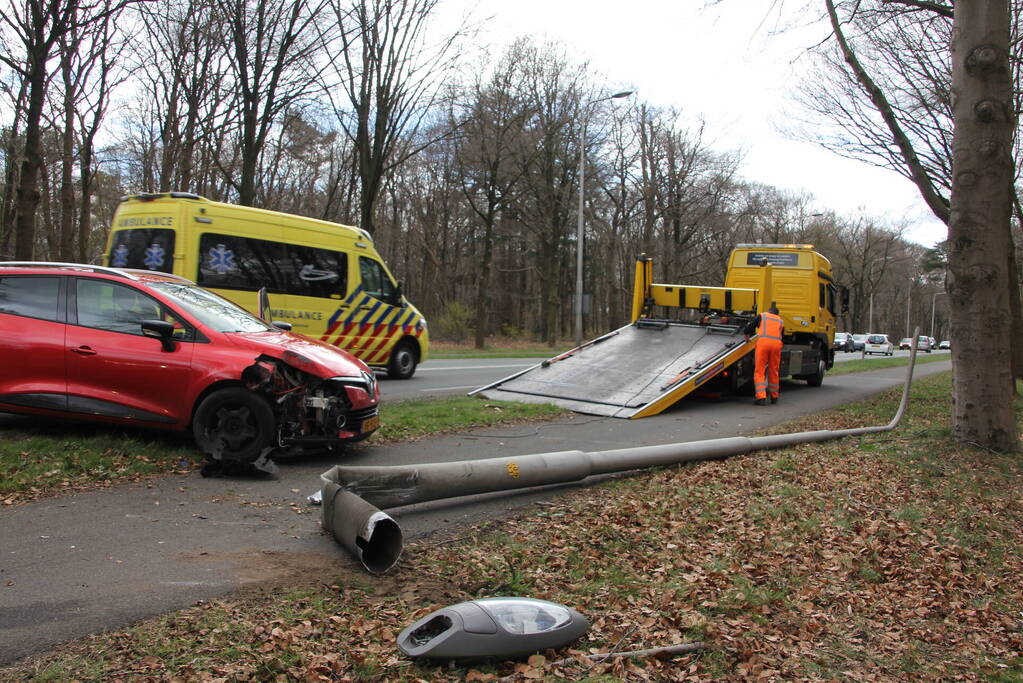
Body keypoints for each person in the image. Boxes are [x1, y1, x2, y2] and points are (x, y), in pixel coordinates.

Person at [744, 303, 784, 405]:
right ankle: (774, 397)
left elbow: (750, 326)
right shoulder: (780, 321)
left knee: (760, 370)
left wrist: (746, 335)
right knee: (774, 370)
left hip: (763, 344)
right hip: (776, 346)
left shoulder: (763, 316)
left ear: (769, 311)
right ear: (777, 313)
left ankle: (761, 398)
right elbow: (781, 335)